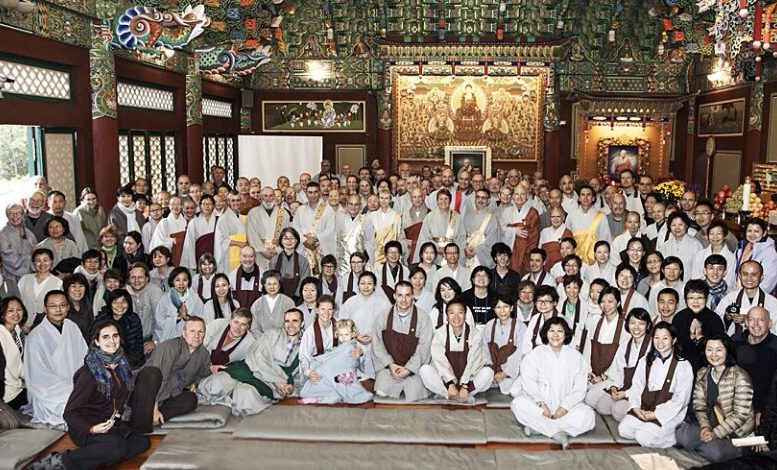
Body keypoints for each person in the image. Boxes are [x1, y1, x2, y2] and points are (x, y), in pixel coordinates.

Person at [33, 320, 149, 470]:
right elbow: (69, 413)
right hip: (86, 425)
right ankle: (58, 463)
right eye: (105, 337)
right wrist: (92, 429)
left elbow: (119, 400)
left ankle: (97, 458)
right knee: (118, 446)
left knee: (141, 442)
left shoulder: (122, 366)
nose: (112, 341)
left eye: (115, 336)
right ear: (97, 342)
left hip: (110, 424)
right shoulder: (89, 373)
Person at [197, 309, 303, 416]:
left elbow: (299, 379)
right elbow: (257, 355)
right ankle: (221, 399)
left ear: (302, 323)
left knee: (245, 394)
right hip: (251, 368)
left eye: (295, 321)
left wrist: (291, 389)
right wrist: (275, 380)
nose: (290, 325)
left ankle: (229, 402)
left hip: (270, 383)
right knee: (216, 382)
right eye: (287, 321)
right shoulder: (272, 335)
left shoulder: (304, 348)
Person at [510, 317, 596, 449]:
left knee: (588, 415)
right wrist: (541, 404)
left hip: (566, 409)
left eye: (560, 331)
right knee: (517, 403)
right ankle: (560, 433)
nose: (555, 335)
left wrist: (564, 407)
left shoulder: (576, 357)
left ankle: (539, 428)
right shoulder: (535, 354)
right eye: (551, 331)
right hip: (541, 407)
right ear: (545, 333)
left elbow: (580, 388)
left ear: (566, 334)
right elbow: (528, 381)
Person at [675, 333, 754, 463]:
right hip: (712, 424)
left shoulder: (740, 376)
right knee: (681, 434)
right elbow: (699, 406)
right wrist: (705, 427)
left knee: (714, 452)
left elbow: (740, 415)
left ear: (727, 351)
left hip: (735, 432)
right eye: (709, 350)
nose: (714, 354)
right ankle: (706, 445)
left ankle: (729, 449)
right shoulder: (702, 373)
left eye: (719, 350)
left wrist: (715, 434)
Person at [617, 322, 694, 448]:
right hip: (646, 408)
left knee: (643, 437)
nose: (660, 342)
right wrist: (635, 407)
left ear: (674, 340)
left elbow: (681, 399)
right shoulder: (646, 360)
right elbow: (637, 386)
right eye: (656, 338)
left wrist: (656, 415)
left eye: (665, 338)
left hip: (669, 413)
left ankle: (672, 438)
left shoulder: (683, 365)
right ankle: (649, 429)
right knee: (624, 430)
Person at [130, 317, 210, 433]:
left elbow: (203, 375)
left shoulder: (204, 354)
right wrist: (154, 407)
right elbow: (161, 377)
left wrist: (195, 384)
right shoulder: (169, 347)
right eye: (192, 331)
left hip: (169, 394)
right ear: (184, 333)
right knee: (152, 374)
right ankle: (143, 424)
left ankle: (151, 418)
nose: (196, 335)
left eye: (200, 331)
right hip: (146, 391)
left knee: (191, 399)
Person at [23, 290, 88, 427]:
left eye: (62, 305)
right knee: (74, 408)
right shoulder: (35, 336)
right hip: (50, 392)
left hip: (76, 384)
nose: (58, 310)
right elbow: (37, 376)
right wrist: (69, 388)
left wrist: (81, 384)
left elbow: (84, 358)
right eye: (53, 306)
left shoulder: (72, 327)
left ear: (68, 307)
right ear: (45, 309)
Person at [420, 298, 494, 402]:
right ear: (447, 316)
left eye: (460, 312)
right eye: (451, 313)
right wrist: (450, 383)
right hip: (447, 382)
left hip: (468, 382)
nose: (456, 317)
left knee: (488, 373)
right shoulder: (440, 333)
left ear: (465, 315)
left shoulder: (475, 334)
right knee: (425, 370)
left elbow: (474, 361)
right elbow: (439, 360)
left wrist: (465, 386)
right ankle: (448, 394)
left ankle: (464, 394)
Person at [372, 282, 434, 401]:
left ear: (413, 296)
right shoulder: (383, 317)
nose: (403, 300)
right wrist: (390, 364)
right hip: (390, 369)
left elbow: (424, 348)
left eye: (407, 295)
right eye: (400, 295)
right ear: (394, 296)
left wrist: (409, 369)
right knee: (381, 395)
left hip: (414, 370)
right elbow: (377, 344)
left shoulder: (423, 318)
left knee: (415, 396)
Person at [593, 308, 652, 422]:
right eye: (633, 323)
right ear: (627, 324)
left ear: (648, 325)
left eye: (641, 324)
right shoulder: (625, 345)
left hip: (643, 393)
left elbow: (648, 382)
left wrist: (626, 394)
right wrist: (614, 387)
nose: (636, 327)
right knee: (601, 407)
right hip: (625, 387)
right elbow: (617, 370)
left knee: (618, 411)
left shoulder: (652, 346)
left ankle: (640, 414)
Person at [299, 318, 373, 404]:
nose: (343, 337)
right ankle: (326, 396)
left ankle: (323, 396)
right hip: (335, 368)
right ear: (337, 334)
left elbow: (343, 361)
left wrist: (324, 363)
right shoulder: (341, 346)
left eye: (346, 334)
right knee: (315, 366)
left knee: (323, 370)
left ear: (352, 334)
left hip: (343, 369)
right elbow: (332, 355)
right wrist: (318, 361)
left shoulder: (351, 347)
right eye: (341, 335)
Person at [731, 306, 777, 422]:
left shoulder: (775, 347)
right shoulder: (735, 341)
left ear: (770, 323)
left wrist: (762, 410)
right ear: (746, 323)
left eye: (761, 320)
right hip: (736, 404)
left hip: (767, 408)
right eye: (751, 319)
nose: (756, 324)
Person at [716, 260, 777, 336]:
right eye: (745, 274)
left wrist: (748, 321)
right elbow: (716, 322)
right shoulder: (730, 298)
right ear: (739, 276)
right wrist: (727, 318)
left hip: (763, 343)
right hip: (733, 342)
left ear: (761, 277)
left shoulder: (772, 303)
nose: (749, 278)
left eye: (754, 274)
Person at [482, 292, 525, 395]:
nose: (502, 311)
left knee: (513, 392)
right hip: (492, 373)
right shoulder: (489, 326)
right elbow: (484, 350)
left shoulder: (520, 327)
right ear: (494, 310)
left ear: (511, 308)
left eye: (505, 306)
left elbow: (521, 352)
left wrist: (506, 372)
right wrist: (490, 370)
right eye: (498, 307)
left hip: (513, 373)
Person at [94, 289, 145, 369]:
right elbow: (95, 348)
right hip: (106, 364)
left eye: (123, 302)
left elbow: (138, 347)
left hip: (132, 363)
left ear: (129, 304)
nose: (119, 305)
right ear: (110, 304)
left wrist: (124, 364)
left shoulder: (134, 319)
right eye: (115, 302)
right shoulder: (101, 321)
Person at [154, 267, 204, 343]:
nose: (181, 283)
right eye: (177, 280)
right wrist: (177, 318)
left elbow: (202, 321)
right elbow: (159, 323)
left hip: (190, 341)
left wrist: (187, 317)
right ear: (172, 281)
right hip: (170, 340)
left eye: (184, 280)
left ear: (189, 281)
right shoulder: (164, 300)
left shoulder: (195, 300)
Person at [565, 185, 611, 265]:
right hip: (575, 261)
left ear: (593, 198)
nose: (585, 198)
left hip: (595, 260)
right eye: (583, 195)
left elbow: (605, 239)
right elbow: (567, 239)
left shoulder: (601, 216)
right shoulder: (571, 215)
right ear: (579, 198)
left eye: (588, 195)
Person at [499, 184, 539, 275]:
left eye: (522, 194)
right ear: (513, 196)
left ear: (527, 196)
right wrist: (514, 231)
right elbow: (500, 229)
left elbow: (533, 235)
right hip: (509, 251)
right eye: (517, 194)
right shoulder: (507, 212)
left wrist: (524, 251)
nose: (519, 197)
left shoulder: (533, 212)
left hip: (525, 253)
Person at [247, 187, 290, 271]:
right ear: (260, 197)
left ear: (274, 197)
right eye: (265, 196)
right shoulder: (253, 213)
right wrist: (262, 250)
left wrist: (277, 250)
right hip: (259, 253)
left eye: (271, 196)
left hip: (277, 252)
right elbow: (251, 235)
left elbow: (287, 234)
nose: (268, 199)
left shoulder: (284, 213)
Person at [19, 248, 62, 327]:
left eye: (45, 260)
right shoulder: (24, 279)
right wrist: (22, 324)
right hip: (23, 325)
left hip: (46, 326)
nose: (42, 263)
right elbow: (17, 302)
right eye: (38, 261)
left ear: (51, 262)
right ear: (33, 263)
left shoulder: (58, 283)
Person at [203, 308, 255, 372]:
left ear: (248, 327)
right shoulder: (217, 324)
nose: (238, 327)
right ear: (230, 321)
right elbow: (199, 344)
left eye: (243, 324)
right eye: (236, 322)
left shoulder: (250, 343)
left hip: (221, 373)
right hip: (200, 362)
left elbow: (246, 366)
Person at [126, 263, 163, 355]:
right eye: (133, 277)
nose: (137, 280)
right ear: (128, 279)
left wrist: (155, 341)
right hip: (128, 340)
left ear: (147, 278)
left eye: (140, 277)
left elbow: (161, 320)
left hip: (150, 338)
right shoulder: (124, 293)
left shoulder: (155, 292)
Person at [735, 218, 777, 294]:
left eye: (756, 231)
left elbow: (768, 281)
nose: (752, 234)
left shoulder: (769, 252)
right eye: (749, 231)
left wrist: (751, 296)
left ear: (764, 233)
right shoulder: (742, 246)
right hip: (738, 292)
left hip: (757, 296)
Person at [249, 270, 295, 336]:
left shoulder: (288, 302)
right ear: (264, 285)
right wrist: (264, 339)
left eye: (275, 284)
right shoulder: (257, 304)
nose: (272, 287)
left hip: (284, 338)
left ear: (279, 285)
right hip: (262, 339)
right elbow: (254, 328)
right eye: (269, 284)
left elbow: (292, 324)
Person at [0, 297, 27, 410]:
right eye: (10, 310)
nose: (16, 313)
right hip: (6, 393)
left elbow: (19, 364)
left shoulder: (16, 330)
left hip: (17, 385)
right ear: (2, 314)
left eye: (19, 309)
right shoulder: (1, 335)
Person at [270, 227, 311, 300]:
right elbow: (270, 281)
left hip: (297, 299)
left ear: (296, 241)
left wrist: (296, 298)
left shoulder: (303, 261)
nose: (289, 241)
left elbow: (305, 282)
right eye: (285, 238)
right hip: (277, 298)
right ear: (281, 241)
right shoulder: (274, 260)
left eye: (292, 238)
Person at [180, 195, 218, 271]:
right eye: (204, 203)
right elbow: (189, 243)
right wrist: (192, 263)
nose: (207, 206)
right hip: (200, 255)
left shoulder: (219, 221)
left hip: (216, 254)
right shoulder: (194, 222)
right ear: (200, 206)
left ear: (214, 206)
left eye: (210, 203)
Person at [0, 204, 36, 282]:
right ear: (7, 216)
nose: (15, 216)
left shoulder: (29, 233)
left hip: (30, 276)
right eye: (11, 213)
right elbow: (11, 261)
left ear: (23, 215)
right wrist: (30, 255)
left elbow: (36, 254)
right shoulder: (3, 234)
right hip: (11, 276)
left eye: (18, 213)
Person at [213, 191, 248, 273]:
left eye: (238, 200)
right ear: (228, 202)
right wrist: (239, 243)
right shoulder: (223, 219)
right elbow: (221, 240)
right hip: (229, 255)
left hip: (243, 254)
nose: (236, 203)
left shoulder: (243, 218)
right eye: (233, 200)